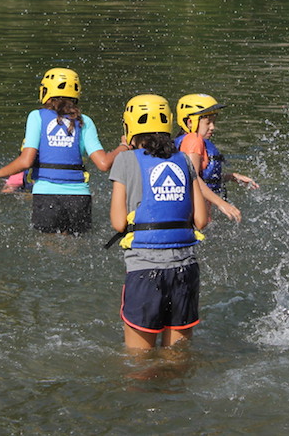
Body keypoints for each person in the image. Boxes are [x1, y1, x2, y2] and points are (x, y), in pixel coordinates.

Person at [108, 94, 209, 349]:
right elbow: (201, 219)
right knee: (177, 360)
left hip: (144, 270)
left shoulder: (125, 159)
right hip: (185, 269)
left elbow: (119, 223)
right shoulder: (184, 160)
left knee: (138, 364)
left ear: (130, 126)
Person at [0, 68, 128, 234]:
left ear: (45, 91)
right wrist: (123, 146)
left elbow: (26, 161)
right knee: (73, 248)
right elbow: (104, 164)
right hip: (79, 198)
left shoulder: (37, 116)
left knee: (47, 248)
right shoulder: (85, 121)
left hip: (47, 195)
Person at [175, 93, 252, 221]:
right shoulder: (193, 140)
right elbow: (192, 178)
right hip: (191, 220)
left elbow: (200, 176)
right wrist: (222, 204)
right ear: (190, 122)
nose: (212, 127)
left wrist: (231, 177)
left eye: (214, 122)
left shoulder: (191, 142)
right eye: (208, 123)